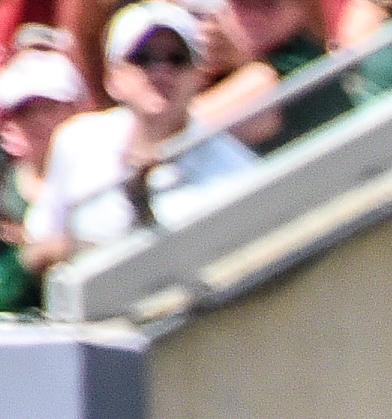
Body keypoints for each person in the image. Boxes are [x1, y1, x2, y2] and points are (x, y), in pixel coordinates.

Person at [18, 4, 255, 271]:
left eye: (176, 58)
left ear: (198, 76)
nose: (161, 71)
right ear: (113, 79)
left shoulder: (237, 172)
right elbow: (35, 251)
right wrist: (75, 250)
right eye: (142, 58)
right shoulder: (76, 140)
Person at [194, 0, 347, 148]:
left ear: (302, 6)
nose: (251, 14)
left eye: (266, 3)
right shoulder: (246, 65)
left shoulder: (294, 61)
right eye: (240, 4)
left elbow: (182, 129)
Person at [0, 37, 80, 312]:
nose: (36, 121)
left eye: (48, 108)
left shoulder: (95, 172)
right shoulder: (4, 187)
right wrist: (26, 259)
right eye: (24, 111)